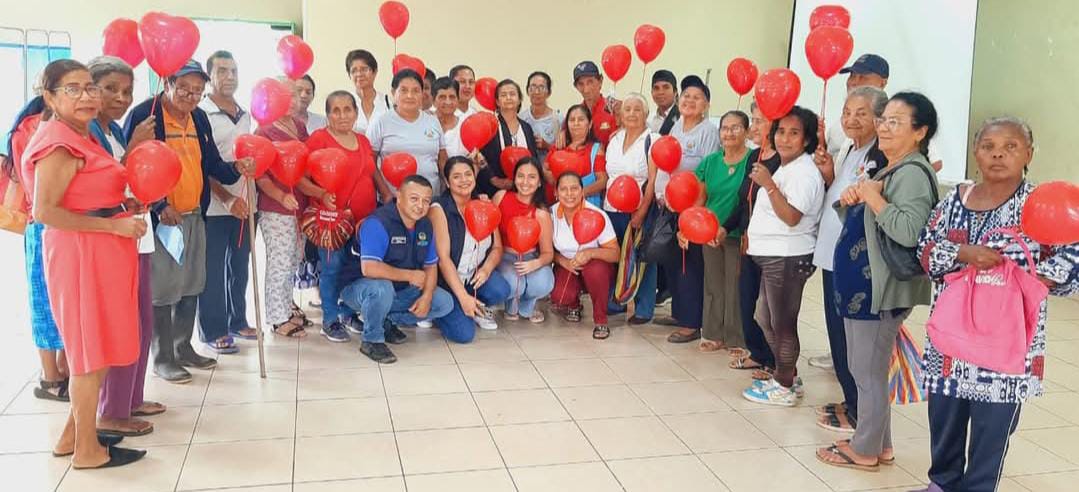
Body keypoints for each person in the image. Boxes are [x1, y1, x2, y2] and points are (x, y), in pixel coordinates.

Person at [913, 117, 1078, 492]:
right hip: (952, 337)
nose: (998, 154)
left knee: (993, 427)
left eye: (1010, 147)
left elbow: (1072, 252)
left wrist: (1042, 278)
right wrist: (963, 253)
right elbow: (925, 248)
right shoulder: (955, 201)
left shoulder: (1040, 204)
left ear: (1028, 154)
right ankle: (942, 484)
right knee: (945, 416)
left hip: (1006, 343)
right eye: (988, 146)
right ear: (976, 152)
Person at [23, 58, 146, 469]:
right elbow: (45, 212)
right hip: (81, 254)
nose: (86, 96)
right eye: (72, 89)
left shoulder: (80, 134)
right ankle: (87, 451)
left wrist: (120, 207)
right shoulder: (59, 142)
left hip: (100, 251)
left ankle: (73, 435)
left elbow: (87, 193)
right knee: (89, 352)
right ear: (50, 97)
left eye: (89, 87)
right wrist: (112, 226)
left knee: (100, 344)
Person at [815, 91, 940, 471]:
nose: (884, 128)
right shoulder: (892, 168)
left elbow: (908, 231)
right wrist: (856, 197)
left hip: (879, 291)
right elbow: (867, 224)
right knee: (866, 368)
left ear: (920, 131)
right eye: (883, 120)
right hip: (863, 288)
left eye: (895, 122)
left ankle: (865, 449)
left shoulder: (913, 173)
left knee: (867, 371)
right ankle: (880, 444)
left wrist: (873, 197)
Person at [124, 59, 255, 384]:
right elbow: (131, 167)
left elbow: (210, 163)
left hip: (196, 212)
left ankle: (184, 348)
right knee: (164, 288)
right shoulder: (145, 115)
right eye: (184, 88)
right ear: (168, 83)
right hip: (163, 219)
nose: (191, 96)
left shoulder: (198, 117)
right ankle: (163, 357)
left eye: (197, 91)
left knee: (192, 284)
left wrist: (236, 168)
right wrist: (159, 205)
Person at [86, 55, 166, 437]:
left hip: (136, 233)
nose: (121, 98)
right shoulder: (89, 132)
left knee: (142, 321)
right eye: (111, 89)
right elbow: (104, 181)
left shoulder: (114, 130)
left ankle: (132, 397)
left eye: (127, 91)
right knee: (122, 324)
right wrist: (134, 147)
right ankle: (112, 410)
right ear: (91, 90)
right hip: (111, 237)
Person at [810, 86, 889, 433]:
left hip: (856, 263)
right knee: (838, 335)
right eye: (847, 112)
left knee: (854, 343)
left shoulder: (880, 156)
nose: (851, 119)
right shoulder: (850, 149)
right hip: (834, 257)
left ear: (879, 118)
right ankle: (851, 401)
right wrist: (830, 173)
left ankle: (860, 412)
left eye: (861, 113)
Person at [741, 105, 825, 407]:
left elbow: (791, 217)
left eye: (794, 133)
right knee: (764, 317)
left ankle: (784, 385)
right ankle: (787, 373)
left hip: (788, 256)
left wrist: (769, 185)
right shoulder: (787, 167)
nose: (785, 139)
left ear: (806, 139)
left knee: (782, 324)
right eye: (780, 132)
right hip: (773, 256)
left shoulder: (804, 172)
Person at [341, 175, 456, 363]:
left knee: (444, 302)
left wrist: (427, 296)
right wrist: (410, 275)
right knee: (382, 288)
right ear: (399, 196)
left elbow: (430, 266)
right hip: (359, 288)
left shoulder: (425, 225)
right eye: (414, 199)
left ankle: (386, 321)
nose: (420, 206)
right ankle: (372, 340)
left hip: (399, 290)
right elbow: (369, 268)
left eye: (426, 201)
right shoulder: (378, 223)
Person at [7, 96, 69, 402]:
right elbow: (37, 184)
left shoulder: (66, 123)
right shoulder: (33, 128)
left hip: (68, 223)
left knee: (68, 303)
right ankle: (50, 377)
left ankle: (64, 368)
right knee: (45, 303)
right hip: (43, 223)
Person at [306, 90, 379, 342]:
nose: (342, 115)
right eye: (335, 111)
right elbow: (301, 179)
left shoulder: (363, 141)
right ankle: (330, 319)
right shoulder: (319, 139)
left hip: (363, 220)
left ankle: (347, 313)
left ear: (356, 113)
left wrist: (387, 194)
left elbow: (372, 172)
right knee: (332, 268)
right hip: (331, 220)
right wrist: (321, 194)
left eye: (347, 109)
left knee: (354, 268)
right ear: (327, 115)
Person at [197, 50, 256, 354]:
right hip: (214, 206)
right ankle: (214, 329)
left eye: (233, 71)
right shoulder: (201, 114)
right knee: (212, 271)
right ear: (210, 76)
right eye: (222, 71)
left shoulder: (245, 114)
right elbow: (201, 165)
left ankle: (237, 320)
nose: (229, 76)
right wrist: (226, 197)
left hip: (247, 205)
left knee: (239, 267)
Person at [660, 75, 720, 344]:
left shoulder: (708, 132)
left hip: (695, 208)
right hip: (674, 205)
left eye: (697, 98)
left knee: (691, 266)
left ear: (706, 105)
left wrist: (693, 210)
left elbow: (706, 173)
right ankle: (679, 312)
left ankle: (691, 323)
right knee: (675, 263)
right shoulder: (676, 127)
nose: (690, 101)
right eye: (686, 96)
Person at [429, 156, 511, 342]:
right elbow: (443, 259)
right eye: (456, 176)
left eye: (468, 174)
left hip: (471, 277)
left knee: (501, 289)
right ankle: (439, 308)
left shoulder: (484, 204)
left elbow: (497, 247)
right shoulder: (439, 209)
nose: (464, 180)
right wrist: (463, 297)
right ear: (447, 182)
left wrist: (486, 269)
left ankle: (473, 306)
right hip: (446, 281)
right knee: (464, 334)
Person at [255, 78, 313, 339]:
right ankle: (277, 319)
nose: (292, 100)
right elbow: (260, 175)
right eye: (285, 95)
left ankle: (287, 306)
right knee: (279, 261)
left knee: (293, 259)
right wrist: (280, 196)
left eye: (296, 94)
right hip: (276, 208)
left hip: (300, 205)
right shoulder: (264, 131)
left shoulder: (299, 125)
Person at [692, 110, 753, 354]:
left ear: (747, 131)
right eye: (725, 128)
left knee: (735, 286)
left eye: (736, 127)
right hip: (710, 233)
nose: (729, 133)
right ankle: (713, 333)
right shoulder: (710, 162)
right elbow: (700, 199)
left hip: (739, 232)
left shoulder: (752, 160)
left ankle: (736, 338)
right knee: (713, 284)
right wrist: (692, 227)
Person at [729, 101, 780, 380]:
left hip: (773, 243)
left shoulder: (783, 160)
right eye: (754, 119)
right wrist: (727, 228)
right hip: (749, 239)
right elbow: (744, 200)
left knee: (769, 307)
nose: (754, 126)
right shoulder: (754, 156)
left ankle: (776, 362)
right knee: (747, 298)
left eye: (760, 120)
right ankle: (757, 352)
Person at [825, 54, 943, 172]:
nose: (854, 82)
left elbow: (934, 163)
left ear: (883, 83)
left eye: (863, 77)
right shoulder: (839, 124)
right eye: (852, 76)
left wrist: (888, 180)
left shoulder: (896, 117)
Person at [603, 93, 659, 325]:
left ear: (646, 114)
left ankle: (644, 308)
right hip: (611, 207)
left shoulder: (653, 140)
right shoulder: (615, 138)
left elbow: (654, 179)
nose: (632, 114)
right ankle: (617, 301)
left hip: (639, 207)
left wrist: (642, 210)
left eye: (637, 109)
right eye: (627, 109)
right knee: (617, 256)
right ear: (621, 114)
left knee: (642, 258)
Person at [550, 172, 619, 339]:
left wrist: (590, 253)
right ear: (556, 192)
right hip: (568, 265)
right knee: (560, 297)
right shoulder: (550, 214)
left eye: (574, 189)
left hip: (595, 267)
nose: (569, 194)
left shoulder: (597, 214)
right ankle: (574, 305)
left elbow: (616, 254)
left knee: (595, 270)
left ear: (582, 191)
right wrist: (563, 261)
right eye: (563, 189)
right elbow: (547, 251)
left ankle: (601, 320)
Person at [366, 68, 446, 196]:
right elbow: (370, 161)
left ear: (422, 94)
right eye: (403, 90)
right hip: (395, 199)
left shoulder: (433, 121)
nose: (410, 96)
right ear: (393, 92)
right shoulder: (381, 121)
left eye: (416, 91)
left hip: (430, 198)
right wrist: (385, 194)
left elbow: (442, 159)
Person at [494, 157, 555, 322]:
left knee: (544, 282)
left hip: (530, 257)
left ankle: (527, 304)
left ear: (540, 182)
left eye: (532, 177)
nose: (525, 182)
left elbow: (548, 253)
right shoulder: (500, 197)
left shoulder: (542, 213)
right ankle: (511, 303)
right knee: (514, 283)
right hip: (504, 256)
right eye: (520, 176)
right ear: (514, 179)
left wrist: (534, 264)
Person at [477, 79, 539, 197]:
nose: (508, 98)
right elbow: (479, 156)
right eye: (503, 95)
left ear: (519, 99)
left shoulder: (526, 128)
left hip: (525, 190)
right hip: (495, 190)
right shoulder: (489, 126)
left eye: (512, 94)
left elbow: (533, 159)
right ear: (497, 101)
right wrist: (493, 179)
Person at [550, 104, 606, 207]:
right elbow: (545, 169)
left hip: (588, 206)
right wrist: (558, 186)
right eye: (572, 120)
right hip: (562, 205)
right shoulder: (559, 146)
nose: (576, 123)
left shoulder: (596, 149)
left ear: (590, 124)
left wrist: (578, 194)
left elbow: (602, 181)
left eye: (581, 119)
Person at [572, 61, 619, 145]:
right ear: (576, 87)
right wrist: (563, 133)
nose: (586, 89)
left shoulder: (614, 108)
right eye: (581, 84)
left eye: (590, 82)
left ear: (600, 81)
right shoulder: (574, 114)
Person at [520, 71, 562, 163]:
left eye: (541, 87)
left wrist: (547, 146)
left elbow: (564, 152)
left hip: (550, 168)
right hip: (527, 168)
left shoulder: (558, 119)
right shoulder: (521, 118)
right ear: (527, 91)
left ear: (549, 92)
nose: (536, 92)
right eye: (533, 87)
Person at [345, 49, 391, 134]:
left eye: (364, 69)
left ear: (375, 72)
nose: (359, 74)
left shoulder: (388, 102)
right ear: (349, 75)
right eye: (354, 71)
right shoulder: (344, 102)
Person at [432, 76, 466, 158]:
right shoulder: (425, 123)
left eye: (452, 97)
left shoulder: (464, 127)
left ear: (458, 100)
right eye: (442, 97)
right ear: (433, 101)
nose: (448, 102)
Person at [648, 69, 679, 135]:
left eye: (666, 87)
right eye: (656, 88)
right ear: (651, 92)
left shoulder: (682, 118)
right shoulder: (648, 119)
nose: (661, 92)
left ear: (675, 92)